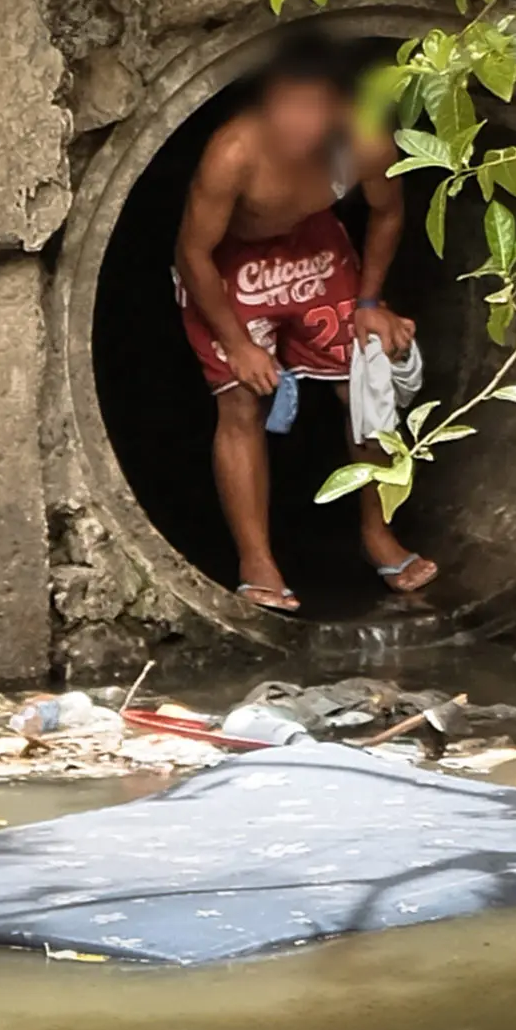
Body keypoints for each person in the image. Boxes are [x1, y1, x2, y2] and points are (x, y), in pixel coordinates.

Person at [174, 41, 438, 613]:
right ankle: (257, 560)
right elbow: (192, 252)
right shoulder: (235, 151)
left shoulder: (365, 140)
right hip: (229, 262)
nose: (296, 123)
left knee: (366, 378)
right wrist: (238, 344)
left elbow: (389, 211)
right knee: (241, 399)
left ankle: (376, 533)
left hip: (312, 244)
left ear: (340, 108)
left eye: (312, 107)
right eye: (284, 105)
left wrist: (370, 301)